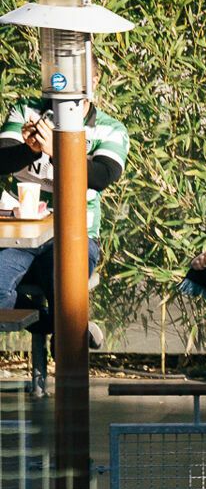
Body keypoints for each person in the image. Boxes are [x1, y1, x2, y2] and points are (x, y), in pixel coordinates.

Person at [0, 62, 127, 309]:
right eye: (62, 77)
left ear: (94, 81)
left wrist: (59, 151)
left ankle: (67, 339)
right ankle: (40, 320)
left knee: (65, 297)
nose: (69, 86)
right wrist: (30, 150)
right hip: (22, 235)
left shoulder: (110, 128)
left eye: (79, 77)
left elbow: (102, 176)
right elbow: (3, 159)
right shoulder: (27, 112)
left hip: (76, 235)